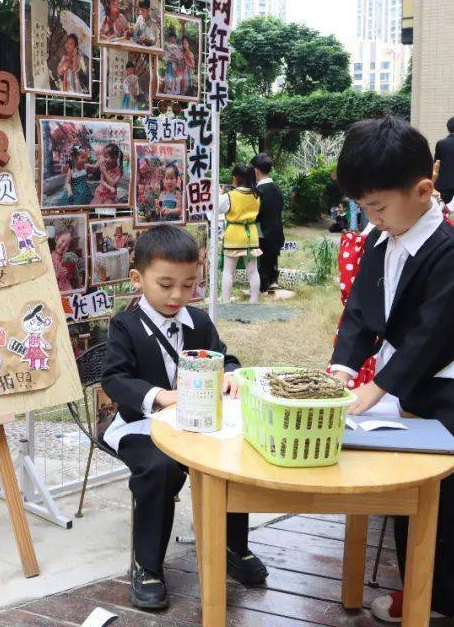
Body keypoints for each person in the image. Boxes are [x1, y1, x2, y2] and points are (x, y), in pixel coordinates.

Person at [329, 116, 454, 626]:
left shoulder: (450, 250)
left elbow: (433, 336)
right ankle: (424, 592)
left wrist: (377, 387)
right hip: (410, 385)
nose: (371, 217)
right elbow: (361, 313)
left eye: (378, 206)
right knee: (413, 493)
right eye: (365, 207)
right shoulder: (381, 240)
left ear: (424, 189)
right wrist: (343, 367)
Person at [102, 226, 268, 610]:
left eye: (189, 284)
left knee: (229, 458)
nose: (178, 295)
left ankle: (233, 546)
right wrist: (161, 396)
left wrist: (231, 374)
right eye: (166, 285)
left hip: (198, 424)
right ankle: (147, 565)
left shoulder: (199, 321)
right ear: (137, 279)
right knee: (160, 469)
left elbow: (225, 357)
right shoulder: (124, 326)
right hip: (140, 425)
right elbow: (115, 379)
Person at [218, 164, 262, 303]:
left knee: (228, 271)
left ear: (235, 178)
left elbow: (217, 209)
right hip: (252, 236)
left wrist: (219, 195)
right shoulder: (256, 195)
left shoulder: (230, 196)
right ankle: (253, 300)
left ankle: (225, 300)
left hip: (234, 236)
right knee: (253, 271)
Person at [250, 152, 284, 293]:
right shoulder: (277, 189)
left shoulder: (258, 191)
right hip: (276, 230)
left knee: (263, 261)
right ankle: (273, 280)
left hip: (262, 232)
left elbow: (255, 214)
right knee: (272, 257)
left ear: (256, 171)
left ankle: (263, 285)